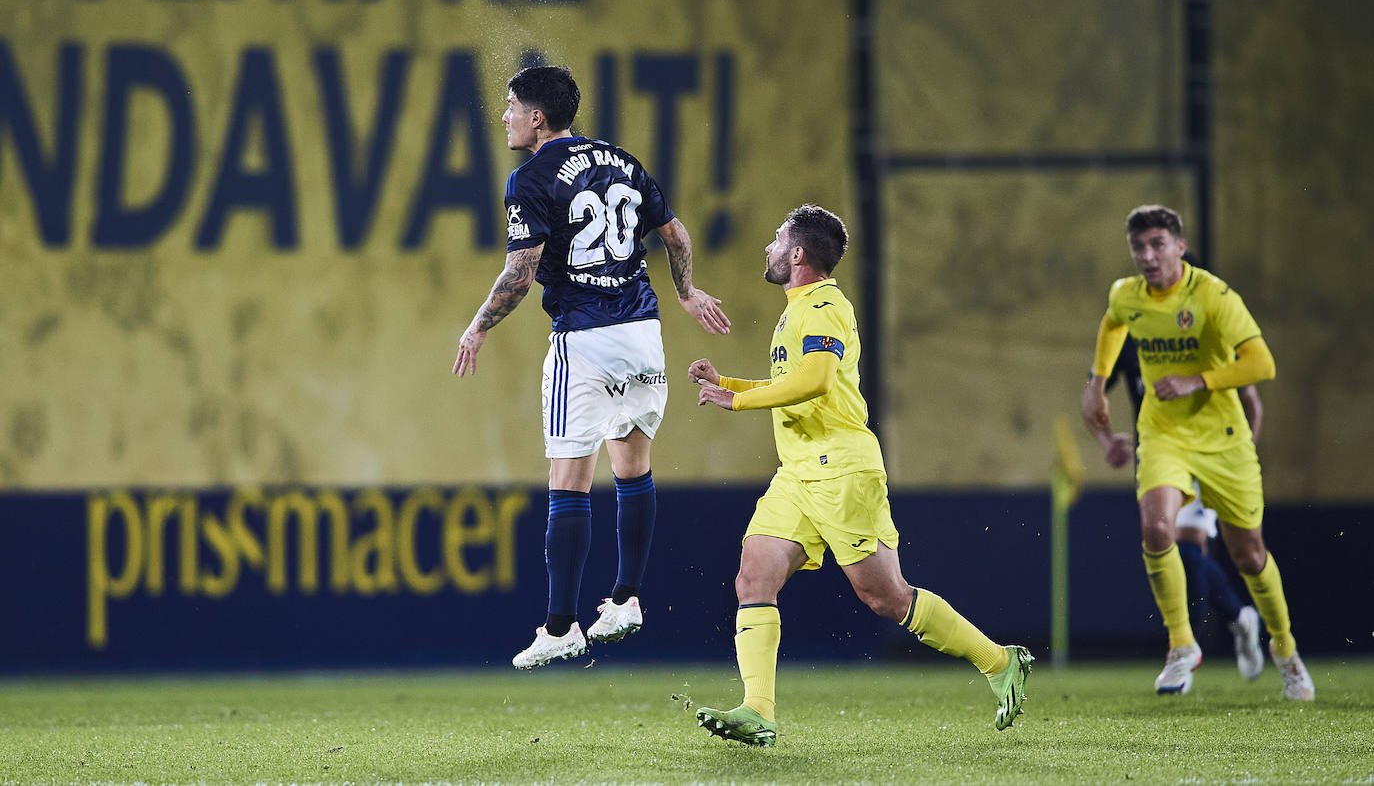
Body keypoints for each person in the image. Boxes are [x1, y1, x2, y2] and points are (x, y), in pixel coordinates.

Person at [687, 204, 1032, 745]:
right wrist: (730, 383)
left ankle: (999, 661)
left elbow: (818, 381)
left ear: (798, 254)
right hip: (799, 470)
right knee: (754, 573)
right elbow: (796, 382)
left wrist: (738, 403)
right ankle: (758, 710)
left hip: (841, 468)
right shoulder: (798, 307)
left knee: (886, 598)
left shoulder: (824, 305)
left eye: (778, 239)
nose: (770, 247)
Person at [452, 65, 731, 669]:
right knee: (633, 469)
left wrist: (477, 327)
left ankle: (560, 625)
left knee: (568, 481)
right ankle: (627, 598)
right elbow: (677, 238)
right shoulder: (623, 161)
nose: (503, 116)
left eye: (511, 106)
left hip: (584, 338)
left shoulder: (528, 178)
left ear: (537, 118)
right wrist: (686, 293)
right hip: (643, 334)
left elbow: (520, 276)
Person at [1080, 204, 1313, 700]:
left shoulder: (1212, 295)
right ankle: (1181, 646)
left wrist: (1196, 381)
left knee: (1249, 555)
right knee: (1157, 528)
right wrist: (1097, 384)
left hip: (1222, 439)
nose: (1147, 256)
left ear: (1179, 247)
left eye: (1157, 244)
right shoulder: (1127, 295)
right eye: (1139, 247)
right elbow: (1112, 323)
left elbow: (1261, 363)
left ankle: (1285, 650)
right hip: (1163, 435)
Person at [1099, 270, 1266, 682]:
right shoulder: (1130, 333)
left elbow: (1252, 401)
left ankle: (1188, 646)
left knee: (1189, 552)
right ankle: (1234, 620)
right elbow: (1094, 394)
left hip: (1210, 450)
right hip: (1159, 451)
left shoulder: (1206, 330)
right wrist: (1106, 441)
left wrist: (1239, 453)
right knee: (1162, 542)